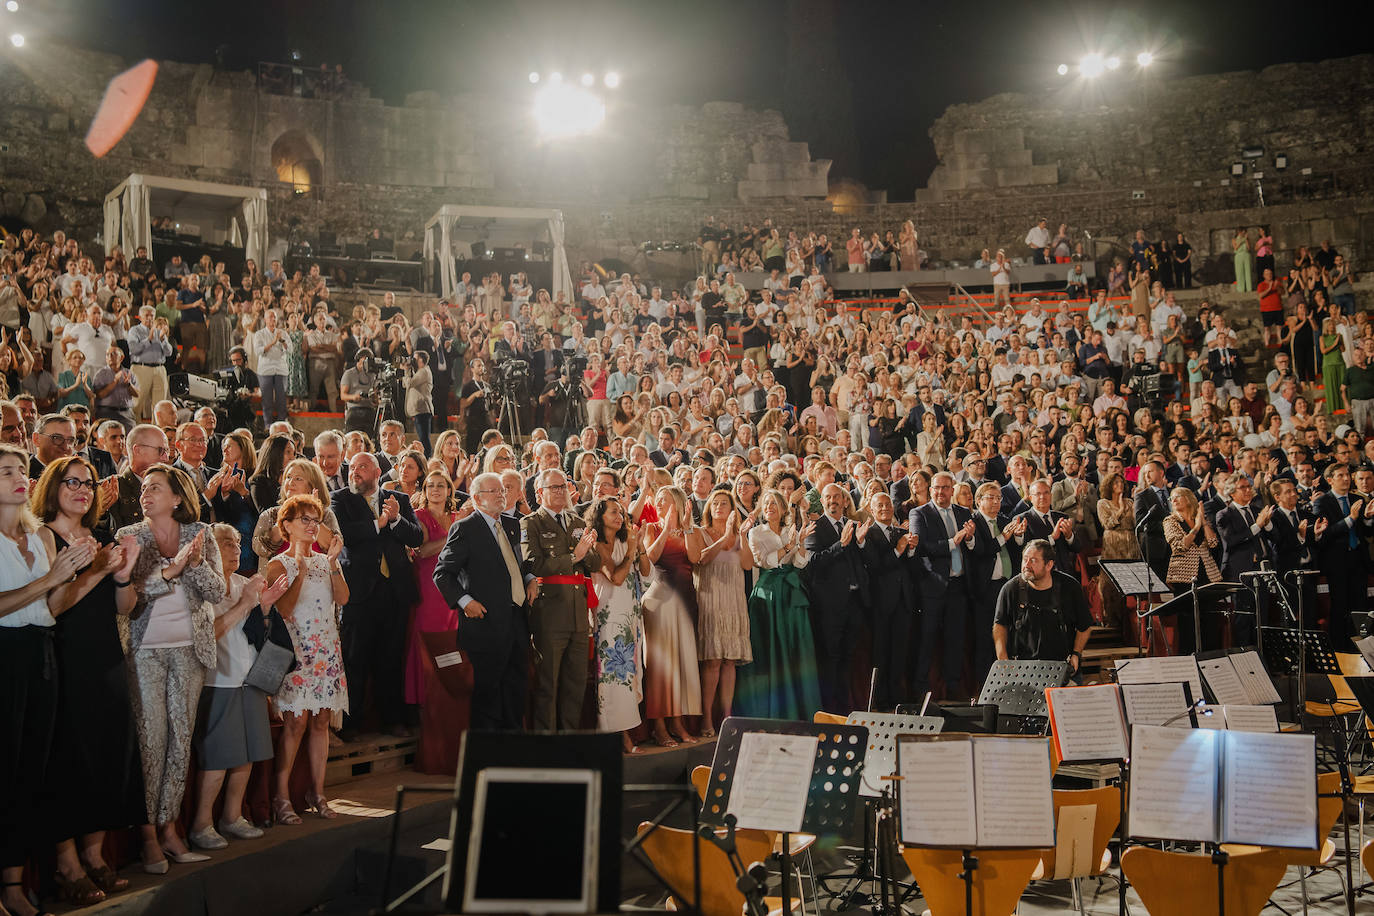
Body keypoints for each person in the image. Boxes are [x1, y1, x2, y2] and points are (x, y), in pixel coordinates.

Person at [28, 457, 136, 907]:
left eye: (88, 483)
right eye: (71, 482)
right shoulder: (42, 537)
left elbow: (125, 608)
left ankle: (94, 855)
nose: (81, 490)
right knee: (70, 760)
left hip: (106, 656)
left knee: (106, 754)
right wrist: (97, 572)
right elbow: (52, 606)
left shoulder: (97, 536)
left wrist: (123, 576)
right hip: (64, 658)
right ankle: (67, 864)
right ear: (52, 487)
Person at [1, 445, 98, 915]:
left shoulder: (39, 536)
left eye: (22, 469)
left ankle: (13, 883)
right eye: (6, 471)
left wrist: (75, 575)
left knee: (30, 772)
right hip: (4, 653)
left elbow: (51, 608)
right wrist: (49, 579)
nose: (19, 476)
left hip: (41, 650)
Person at [114, 464, 225, 872]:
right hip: (144, 651)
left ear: (177, 497)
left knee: (180, 742)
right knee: (151, 742)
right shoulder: (129, 537)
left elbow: (217, 591)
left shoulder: (201, 533)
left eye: (155, 487)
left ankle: (170, 829)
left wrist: (192, 564)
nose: (146, 493)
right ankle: (147, 835)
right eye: (144, 487)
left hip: (189, 651)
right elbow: (129, 598)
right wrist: (170, 571)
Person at [187, 525, 288, 850]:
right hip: (219, 682)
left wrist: (266, 608)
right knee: (218, 758)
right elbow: (208, 635)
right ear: (210, 549)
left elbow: (259, 634)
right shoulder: (203, 588)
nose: (235, 549)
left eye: (237, 543)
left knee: (246, 756)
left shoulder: (246, 584)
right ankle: (201, 824)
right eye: (226, 543)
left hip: (251, 680)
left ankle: (232, 817)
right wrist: (246, 605)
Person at [266, 494, 349, 823]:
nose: (313, 526)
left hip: (326, 651)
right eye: (305, 519)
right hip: (296, 653)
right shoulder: (278, 564)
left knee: (321, 722)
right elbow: (284, 610)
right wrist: (299, 573)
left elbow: (343, 597)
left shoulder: (326, 561)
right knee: (296, 723)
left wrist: (333, 564)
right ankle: (281, 796)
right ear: (286, 525)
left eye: (316, 520)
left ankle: (318, 792)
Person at [332, 453, 423, 740]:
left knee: (391, 659)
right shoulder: (339, 500)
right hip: (358, 592)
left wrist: (395, 520)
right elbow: (344, 534)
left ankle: (392, 720)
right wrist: (378, 524)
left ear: (376, 472)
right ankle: (351, 724)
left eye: (362, 467)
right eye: (352, 468)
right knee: (355, 659)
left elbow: (417, 537)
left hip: (394, 591)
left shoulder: (398, 499)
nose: (355, 472)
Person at [434, 471, 536, 730]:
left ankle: (514, 745)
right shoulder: (465, 528)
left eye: (503, 490)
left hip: (516, 621)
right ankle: (487, 749)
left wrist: (529, 578)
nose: (501, 495)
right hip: (485, 624)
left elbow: (516, 564)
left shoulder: (512, 525)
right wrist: (465, 601)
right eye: (495, 491)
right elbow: (443, 574)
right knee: (488, 697)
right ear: (477, 498)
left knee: (516, 690)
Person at [521, 468, 603, 731]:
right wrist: (574, 557)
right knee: (548, 684)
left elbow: (595, 564)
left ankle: (569, 740)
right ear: (539, 493)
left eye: (563, 486)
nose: (560, 491)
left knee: (575, 683)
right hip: (550, 612)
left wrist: (589, 550)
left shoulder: (577, 522)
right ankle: (547, 743)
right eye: (554, 487)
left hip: (578, 613)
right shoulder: (531, 523)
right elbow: (533, 563)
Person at [736, 488, 818, 719]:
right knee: (769, 650)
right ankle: (771, 710)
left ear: (783, 509)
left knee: (795, 648)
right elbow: (763, 561)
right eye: (766, 503)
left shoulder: (791, 529)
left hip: (791, 592)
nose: (769, 507)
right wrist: (790, 546)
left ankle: (799, 707)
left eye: (774, 503)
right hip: (768, 593)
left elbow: (800, 563)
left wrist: (801, 543)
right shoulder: (756, 532)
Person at [587, 495, 649, 752]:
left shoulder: (627, 540)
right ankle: (616, 735)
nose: (619, 516)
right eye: (613, 512)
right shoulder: (597, 545)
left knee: (629, 674)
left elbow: (646, 572)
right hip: (609, 615)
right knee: (612, 675)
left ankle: (625, 730)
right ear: (599, 516)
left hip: (630, 613)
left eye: (621, 512)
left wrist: (639, 546)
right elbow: (616, 577)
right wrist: (632, 550)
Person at [688, 488, 752, 736]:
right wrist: (724, 536)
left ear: (732, 509)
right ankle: (706, 718)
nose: (719, 507)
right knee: (713, 660)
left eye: (724, 503)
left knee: (729, 661)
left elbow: (747, 564)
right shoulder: (700, 532)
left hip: (734, 602)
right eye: (715, 503)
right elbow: (701, 559)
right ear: (708, 508)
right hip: (711, 601)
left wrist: (741, 535)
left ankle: (727, 716)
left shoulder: (738, 535)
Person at [805, 482, 870, 713]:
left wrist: (860, 543)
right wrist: (840, 545)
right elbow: (812, 563)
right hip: (829, 605)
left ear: (844, 500)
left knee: (848, 656)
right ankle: (829, 710)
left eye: (836, 496)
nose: (832, 500)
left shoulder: (853, 525)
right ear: (822, 501)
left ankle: (845, 708)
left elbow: (865, 561)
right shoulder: (816, 527)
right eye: (828, 497)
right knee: (830, 658)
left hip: (855, 602)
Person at [911, 471, 975, 699]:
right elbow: (920, 547)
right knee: (927, 639)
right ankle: (920, 690)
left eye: (945, 487)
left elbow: (972, 547)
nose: (940, 492)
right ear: (930, 490)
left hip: (959, 585)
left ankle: (953, 688)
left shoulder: (963, 512)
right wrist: (951, 542)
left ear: (952, 489)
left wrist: (970, 538)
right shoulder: (920, 513)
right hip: (933, 587)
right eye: (936, 488)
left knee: (955, 639)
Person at [992, 539, 1093, 675]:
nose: (1026, 565)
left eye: (1033, 561)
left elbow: (1084, 626)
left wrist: (1076, 653)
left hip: (1061, 667)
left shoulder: (1070, 587)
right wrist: (1003, 660)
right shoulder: (1010, 589)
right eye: (1025, 559)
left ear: (1049, 565)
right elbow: (1000, 625)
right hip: (1021, 669)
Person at [402, 470, 461, 707]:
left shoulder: (457, 516)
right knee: (428, 635)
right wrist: (454, 534)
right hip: (429, 585)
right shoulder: (419, 516)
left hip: (455, 586)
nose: (435, 490)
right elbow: (423, 550)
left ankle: (447, 692)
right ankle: (424, 693)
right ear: (425, 491)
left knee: (451, 638)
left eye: (440, 485)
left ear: (449, 491)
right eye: (430, 486)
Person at [860, 491, 917, 709]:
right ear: (871, 510)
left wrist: (911, 550)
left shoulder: (900, 532)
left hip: (903, 599)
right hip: (881, 602)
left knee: (899, 650)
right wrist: (899, 549)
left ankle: (896, 696)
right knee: (881, 652)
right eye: (880, 505)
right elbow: (875, 566)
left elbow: (910, 566)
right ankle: (880, 698)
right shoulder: (868, 534)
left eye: (888, 505)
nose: (885, 508)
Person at [1312, 464, 1373, 645]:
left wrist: (1367, 518)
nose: (1346, 479)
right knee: (1340, 606)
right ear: (1330, 480)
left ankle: (1362, 646)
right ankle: (1340, 647)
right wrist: (1350, 519)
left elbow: (1367, 533)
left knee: (1360, 606)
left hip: (1358, 560)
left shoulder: (1357, 499)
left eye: (1347, 475)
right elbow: (1323, 535)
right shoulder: (1322, 502)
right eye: (1340, 475)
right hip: (1336, 563)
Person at [1162, 486, 1221, 654]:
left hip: (1206, 575)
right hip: (1184, 578)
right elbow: (1179, 546)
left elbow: (1213, 543)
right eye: (1171, 498)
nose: (1173, 500)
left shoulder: (1199, 518)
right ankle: (1189, 657)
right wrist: (1196, 527)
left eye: (1177, 496)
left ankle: (1211, 658)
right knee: (1188, 623)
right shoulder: (1170, 521)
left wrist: (1203, 522)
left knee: (1209, 621)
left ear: (1188, 499)